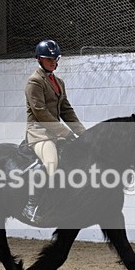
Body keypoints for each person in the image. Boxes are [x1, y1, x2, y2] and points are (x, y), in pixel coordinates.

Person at [22, 39, 87, 222]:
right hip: (39, 133)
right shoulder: (34, 82)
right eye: (48, 59)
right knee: (52, 163)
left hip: (55, 132)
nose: (52, 62)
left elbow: (66, 110)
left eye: (55, 58)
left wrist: (83, 133)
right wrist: (66, 133)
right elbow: (40, 113)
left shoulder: (58, 82)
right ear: (39, 60)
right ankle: (31, 205)